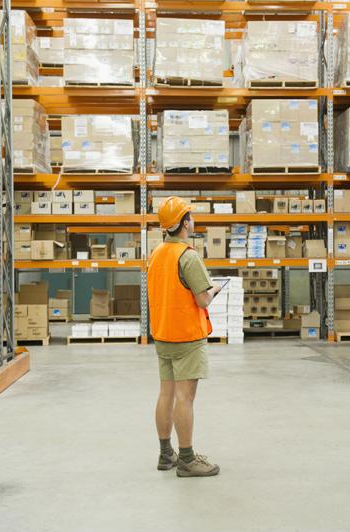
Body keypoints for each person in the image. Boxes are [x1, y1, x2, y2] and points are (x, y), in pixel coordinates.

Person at [147, 196, 222, 478]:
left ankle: (166, 454)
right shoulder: (188, 256)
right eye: (189, 216)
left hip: (163, 335)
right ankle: (187, 459)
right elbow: (202, 300)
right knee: (185, 398)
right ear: (184, 223)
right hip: (187, 337)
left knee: (166, 393)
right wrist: (214, 289)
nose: (192, 220)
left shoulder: (157, 253)